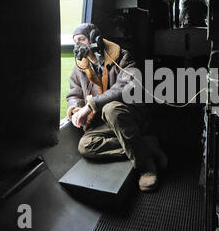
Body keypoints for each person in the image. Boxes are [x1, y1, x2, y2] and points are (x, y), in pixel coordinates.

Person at [66, 23, 167, 192]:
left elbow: (124, 87)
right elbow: (74, 93)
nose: (78, 45)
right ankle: (146, 146)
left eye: (82, 40)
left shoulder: (122, 57)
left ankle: (146, 167)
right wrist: (76, 109)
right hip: (102, 122)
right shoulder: (80, 67)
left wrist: (91, 106)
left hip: (128, 115)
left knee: (110, 108)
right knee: (86, 145)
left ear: (94, 40)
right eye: (75, 41)